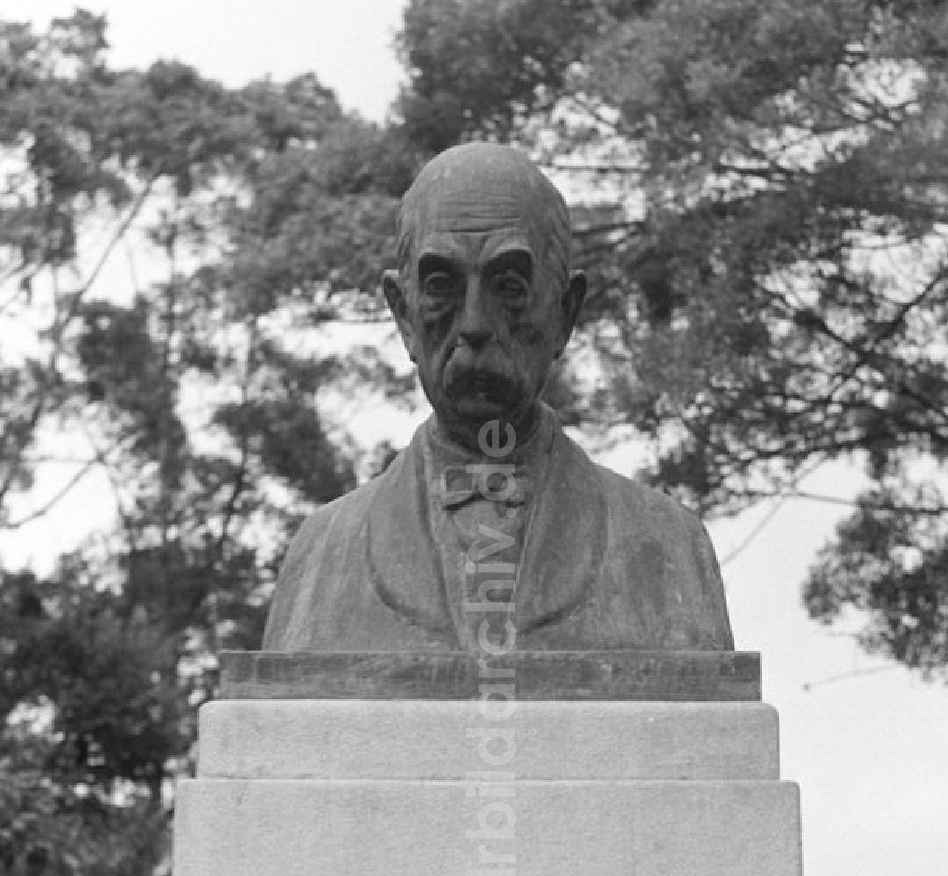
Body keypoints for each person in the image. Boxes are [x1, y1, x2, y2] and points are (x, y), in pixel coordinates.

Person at [263, 142, 733, 655]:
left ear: (565, 312)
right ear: (403, 315)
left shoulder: (669, 550)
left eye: (508, 285)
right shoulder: (319, 556)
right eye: (441, 284)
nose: (473, 324)